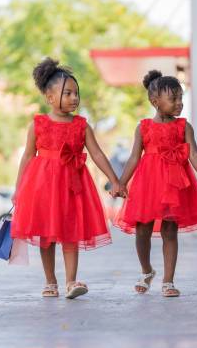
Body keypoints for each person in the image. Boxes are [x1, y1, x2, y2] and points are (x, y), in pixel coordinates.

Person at [10, 57, 126, 299]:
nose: (74, 98)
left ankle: (71, 281)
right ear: (50, 98)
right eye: (68, 93)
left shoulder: (82, 126)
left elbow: (96, 154)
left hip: (73, 186)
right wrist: (19, 188)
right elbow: (27, 157)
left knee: (71, 233)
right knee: (46, 234)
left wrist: (115, 180)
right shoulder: (38, 124)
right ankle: (50, 282)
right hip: (42, 187)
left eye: (76, 93)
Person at [113, 70, 197, 297]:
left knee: (170, 230)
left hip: (175, 183)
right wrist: (121, 183)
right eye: (174, 99)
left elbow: (194, 154)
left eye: (181, 97)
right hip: (147, 184)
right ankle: (146, 270)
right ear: (155, 102)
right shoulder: (143, 127)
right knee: (142, 229)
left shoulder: (183, 126)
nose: (180, 103)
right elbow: (134, 157)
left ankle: (168, 281)